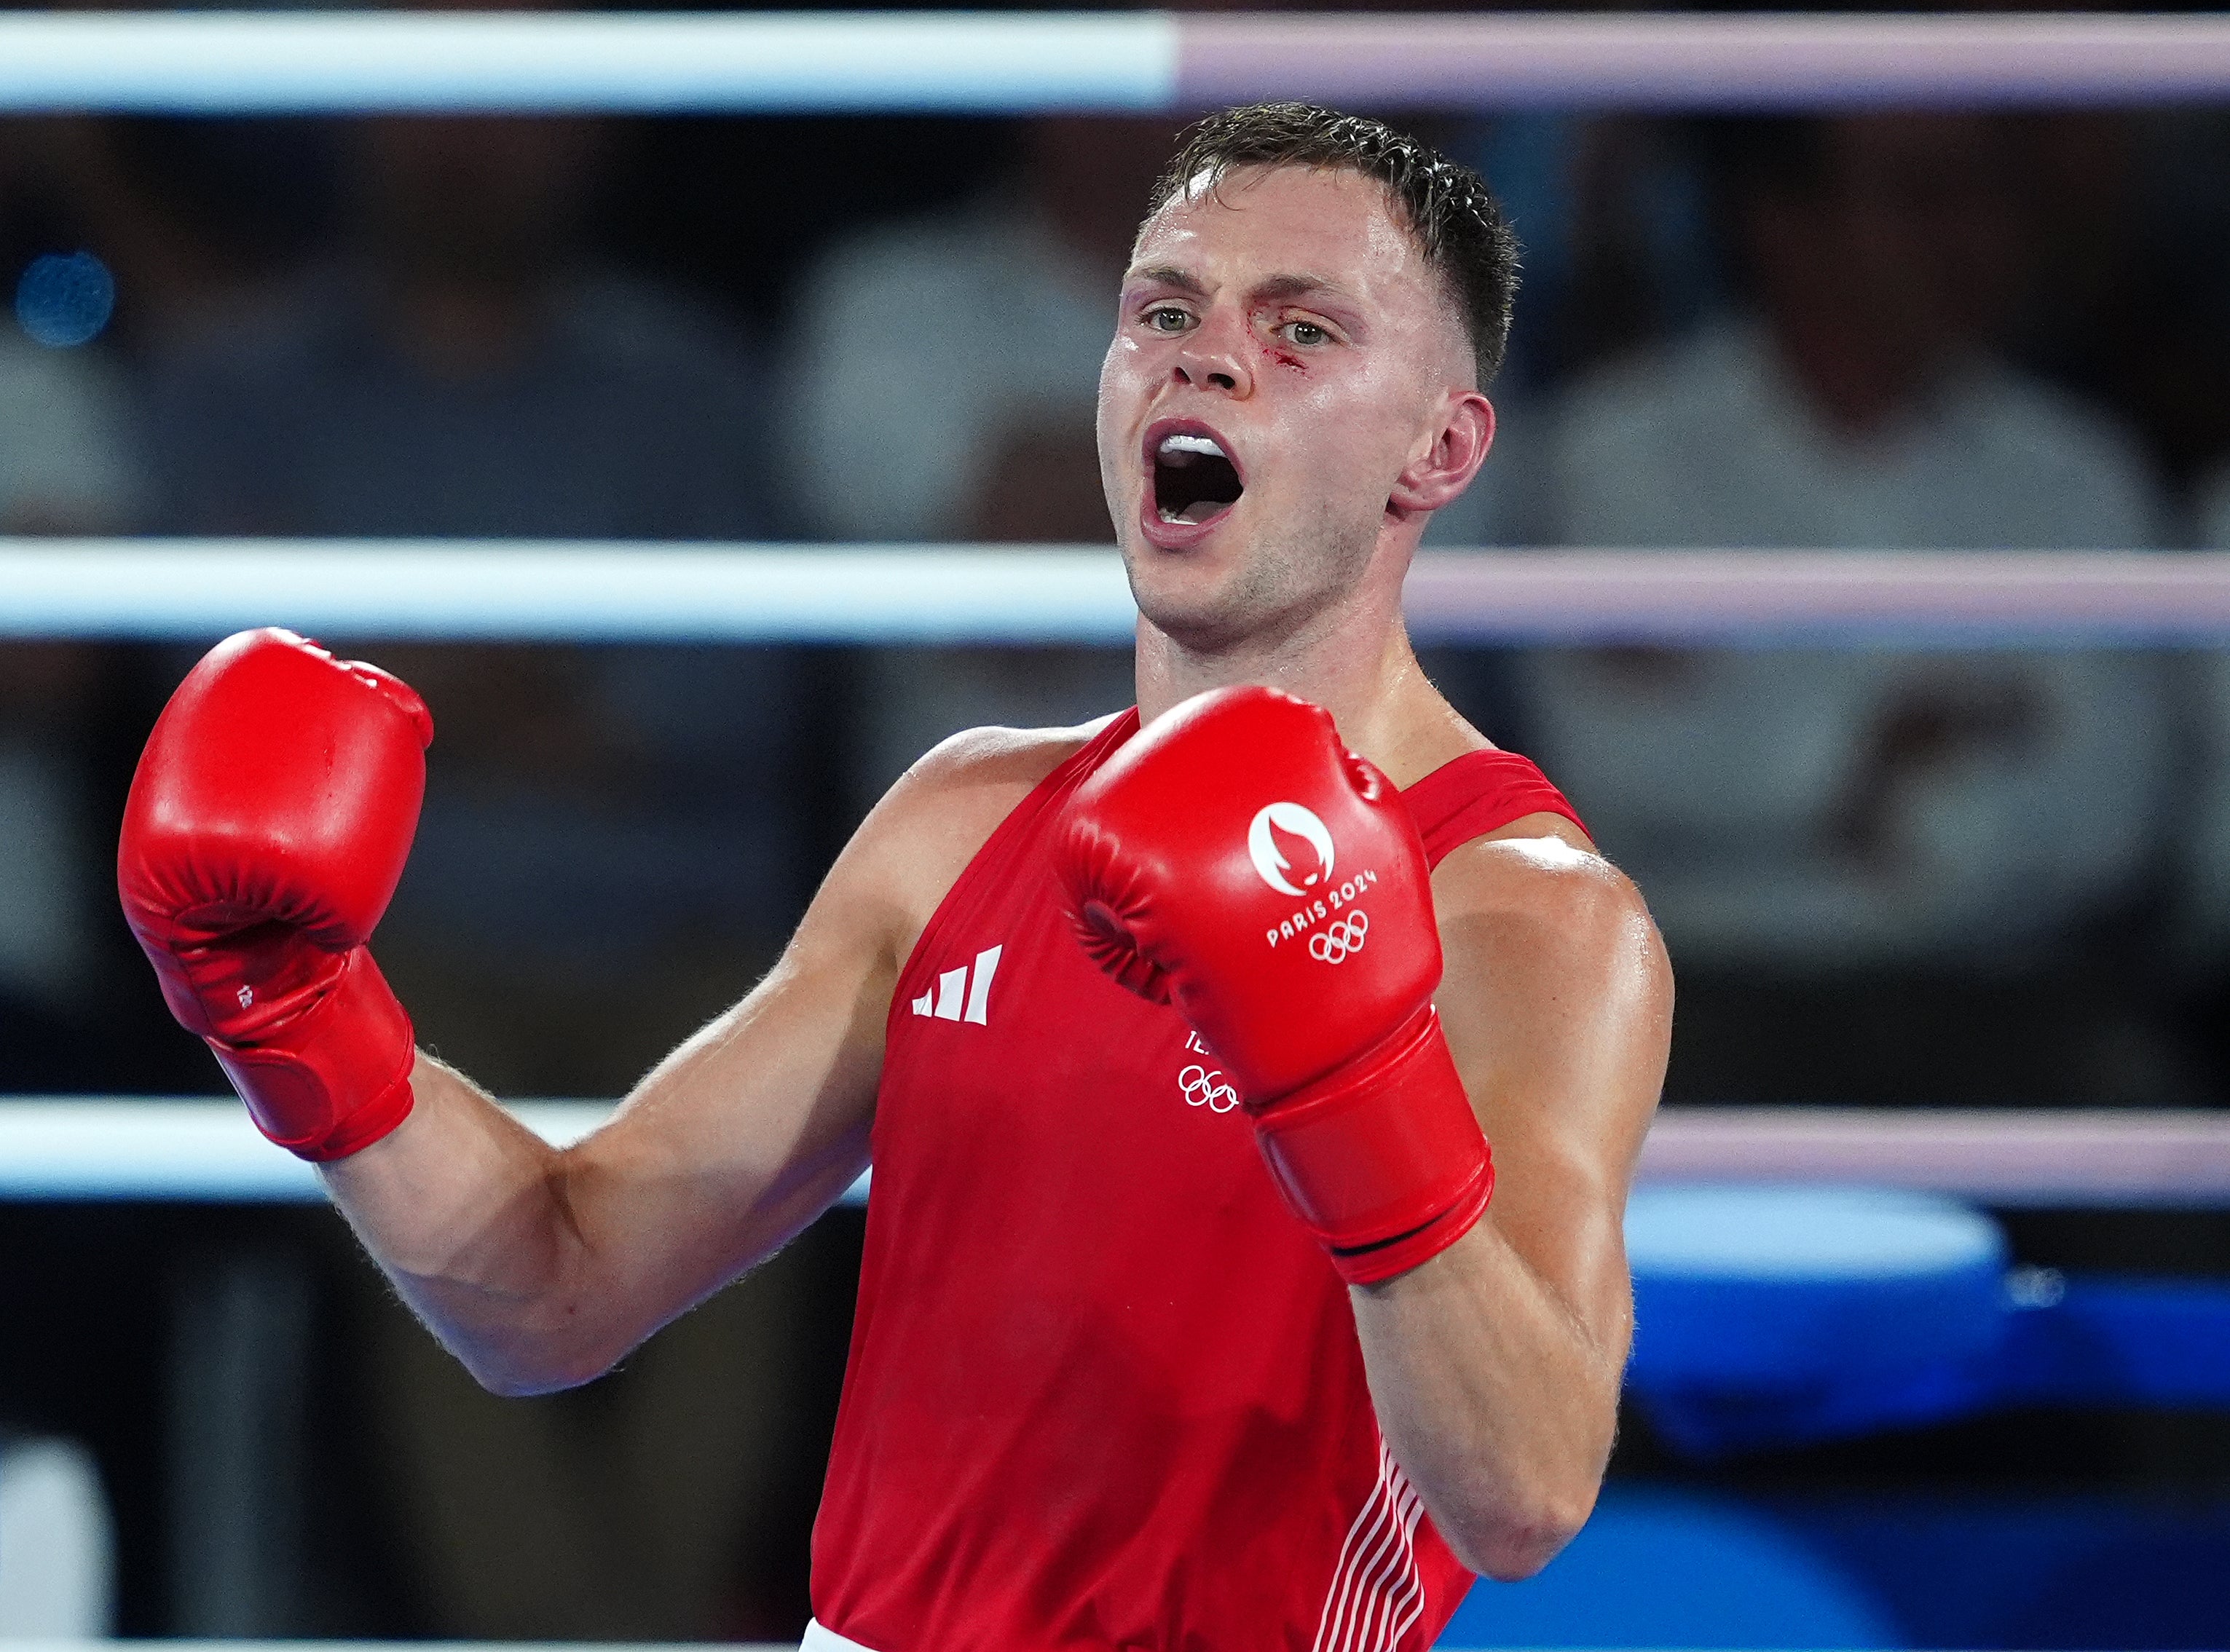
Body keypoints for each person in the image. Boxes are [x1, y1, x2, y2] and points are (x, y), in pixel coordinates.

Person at [116, 105, 1671, 1648]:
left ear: (1443, 446)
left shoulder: (1522, 909)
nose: (1205, 359)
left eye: (1303, 329)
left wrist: (1346, 1072)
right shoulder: (958, 824)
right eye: (1166, 312)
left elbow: (1525, 1491)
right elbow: (554, 1280)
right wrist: (301, 1018)